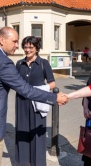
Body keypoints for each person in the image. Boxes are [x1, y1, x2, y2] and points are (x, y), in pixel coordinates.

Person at [0, 27, 68, 166]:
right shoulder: (4, 62)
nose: (17, 46)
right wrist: (54, 98)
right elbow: (25, 89)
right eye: (14, 41)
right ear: (2, 40)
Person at [15, 36, 56, 166]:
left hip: (38, 103)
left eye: (31, 47)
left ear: (37, 48)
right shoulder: (19, 63)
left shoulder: (43, 63)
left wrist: (37, 90)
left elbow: (52, 84)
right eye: (25, 47)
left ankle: (37, 163)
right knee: (22, 130)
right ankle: (23, 162)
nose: (28, 50)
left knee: (37, 134)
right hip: (21, 101)